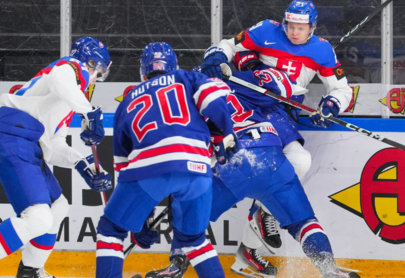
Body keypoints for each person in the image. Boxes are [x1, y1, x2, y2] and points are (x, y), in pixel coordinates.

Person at [145, 57, 360, 278]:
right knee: (303, 222)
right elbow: (284, 84)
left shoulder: (183, 102)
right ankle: (329, 269)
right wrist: (247, 74)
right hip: (270, 156)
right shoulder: (236, 81)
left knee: (187, 215)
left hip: (231, 164)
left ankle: (176, 267)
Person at [199, 0, 354, 276]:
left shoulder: (322, 50)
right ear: (284, 22)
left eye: (301, 27)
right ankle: (238, 235)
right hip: (247, 103)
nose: (294, 32)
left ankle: (260, 219)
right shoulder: (266, 31)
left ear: (312, 27)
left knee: (300, 161)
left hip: (280, 111)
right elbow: (229, 45)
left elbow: (342, 89)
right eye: (291, 25)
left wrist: (330, 105)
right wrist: (216, 55)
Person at [0, 37, 113, 278]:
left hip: (24, 141)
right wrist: (90, 111)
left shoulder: (65, 100)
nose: (97, 78)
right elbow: (59, 78)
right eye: (100, 71)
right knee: (39, 217)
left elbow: (53, 147)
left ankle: (31, 271)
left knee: (58, 207)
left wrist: (82, 165)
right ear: (91, 63)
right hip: (13, 137)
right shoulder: (73, 68)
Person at [94, 42, 236, 278]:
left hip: (149, 167)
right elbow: (214, 100)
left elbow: (123, 165)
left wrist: (140, 220)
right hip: (198, 168)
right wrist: (226, 132)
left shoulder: (127, 101)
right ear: (173, 66)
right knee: (194, 241)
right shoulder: (185, 77)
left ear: (142, 72)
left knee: (111, 230)